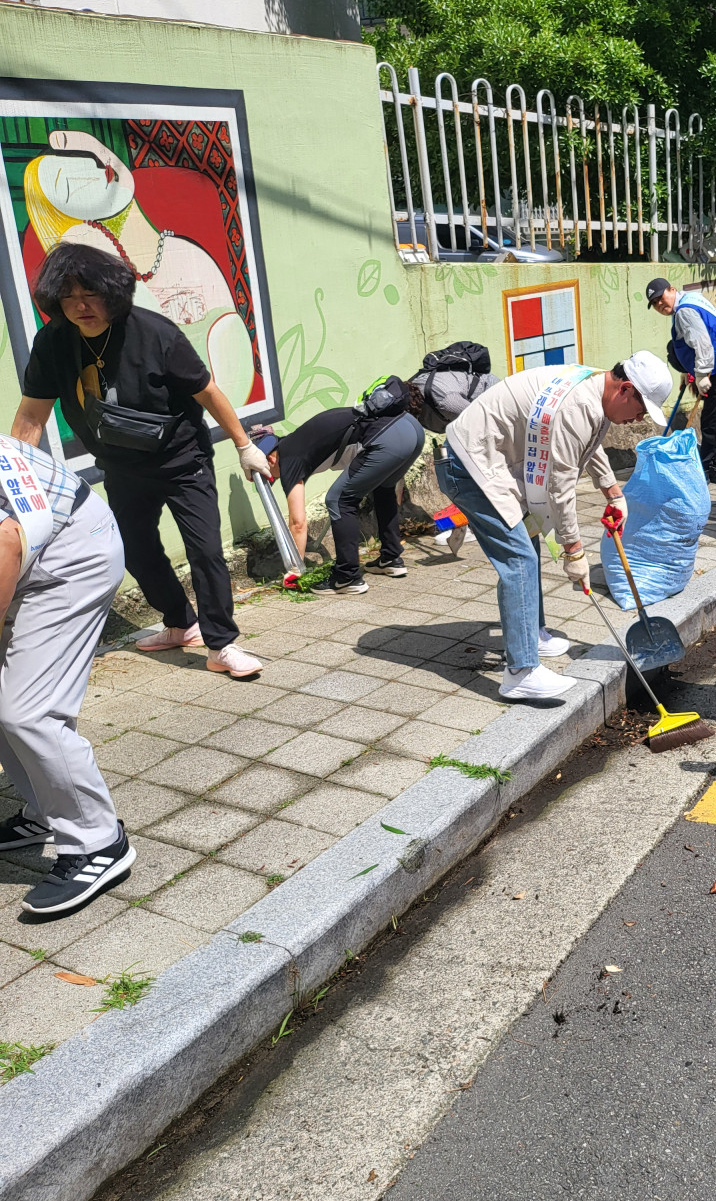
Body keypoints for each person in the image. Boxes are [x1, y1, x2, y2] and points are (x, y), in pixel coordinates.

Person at [12, 243, 270, 677]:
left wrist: (244, 445)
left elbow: (207, 391)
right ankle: (179, 621)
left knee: (205, 550)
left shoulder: (156, 334)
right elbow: (31, 415)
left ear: (112, 292)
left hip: (182, 461)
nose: (81, 305)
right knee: (133, 549)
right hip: (120, 465)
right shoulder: (54, 342)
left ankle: (221, 645)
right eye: (69, 296)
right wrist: (15, 477)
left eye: (91, 293)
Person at [437, 353, 673, 702]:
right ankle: (520, 673)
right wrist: (573, 550)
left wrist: (612, 491)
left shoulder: (595, 386)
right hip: (470, 465)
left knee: (527, 543)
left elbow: (587, 445)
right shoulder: (578, 405)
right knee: (519, 559)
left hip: (494, 459)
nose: (637, 419)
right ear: (625, 389)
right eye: (640, 411)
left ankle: (531, 635)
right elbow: (559, 487)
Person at [0, 433, 132, 917]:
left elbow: (6, 543)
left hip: (72, 551)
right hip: (33, 545)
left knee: (29, 713)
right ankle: (43, 810)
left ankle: (98, 843)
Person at [256, 391, 425, 595]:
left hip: (388, 438)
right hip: (411, 429)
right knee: (383, 487)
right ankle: (391, 558)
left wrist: (294, 571)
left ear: (271, 459)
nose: (269, 479)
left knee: (338, 499)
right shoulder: (295, 442)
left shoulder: (288, 461)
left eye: (263, 473)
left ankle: (347, 577)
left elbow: (298, 523)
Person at [646, 277, 716, 484]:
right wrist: (688, 371)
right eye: (654, 303)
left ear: (672, 289)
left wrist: (701, 374)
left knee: (715, 419)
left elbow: (702, 342)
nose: (659, 304)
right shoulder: (692, 299)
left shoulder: (684, 311)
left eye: (661, 297)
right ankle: (713, 466)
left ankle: (712, 468)